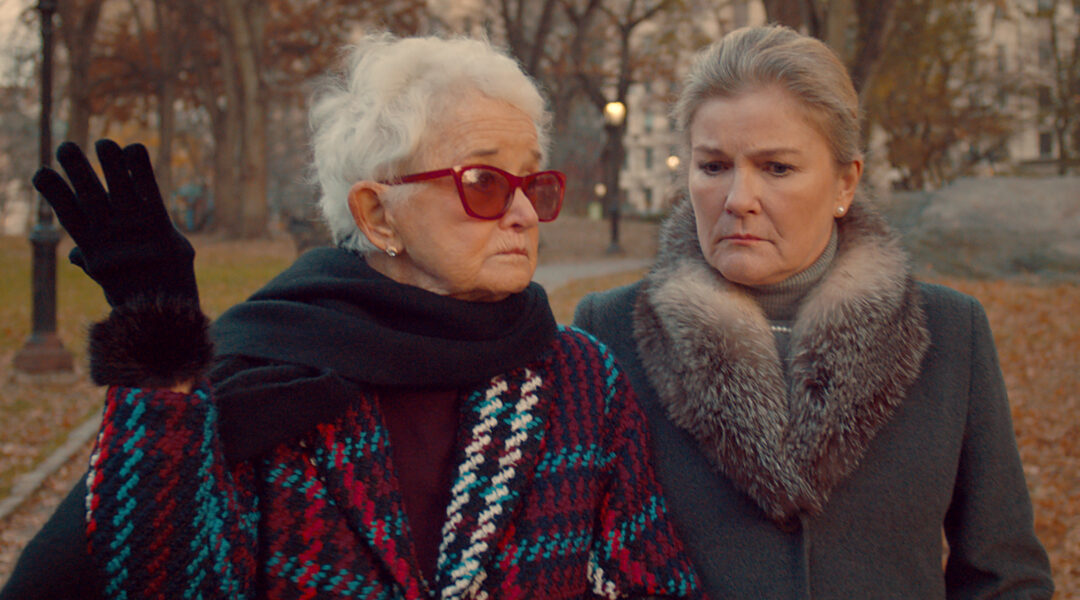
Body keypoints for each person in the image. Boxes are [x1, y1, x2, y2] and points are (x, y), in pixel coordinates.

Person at [1, 34, 703, 599]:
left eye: (534, 181)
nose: (523, 212)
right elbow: (161, 577)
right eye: (486, 182)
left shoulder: (581, 380)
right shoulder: (268, 372)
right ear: (377, 214)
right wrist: (159, 351)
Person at [573, 25, 1054, 599]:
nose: (738, 198)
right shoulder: (608, 333)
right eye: (713, 166)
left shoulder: (950, 332)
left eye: (776, 168)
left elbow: (1005, 575)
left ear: (844, 183)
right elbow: (569, 564)